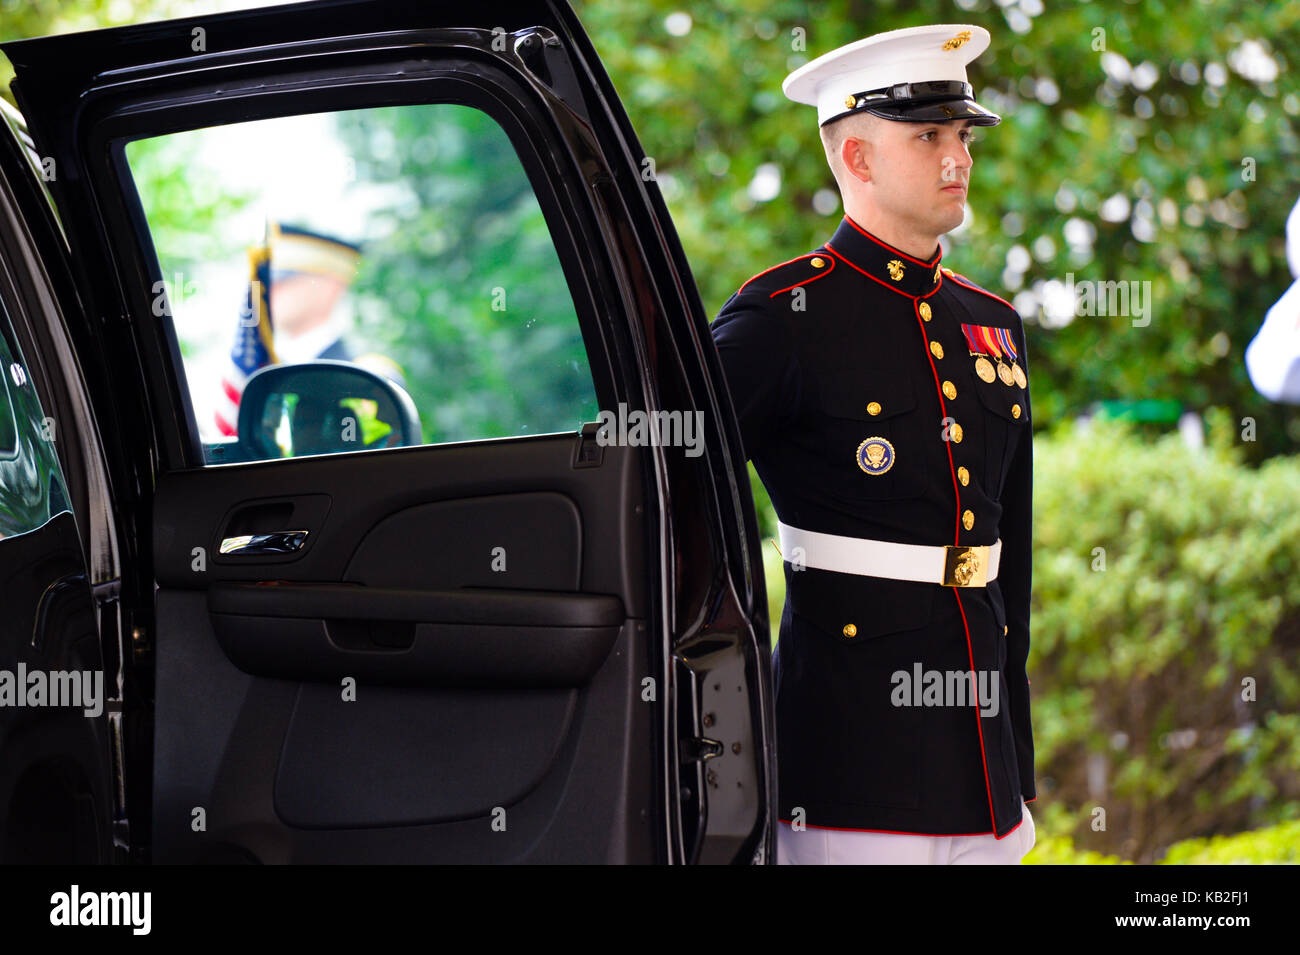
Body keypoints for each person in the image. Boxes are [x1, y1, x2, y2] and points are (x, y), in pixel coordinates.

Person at [710, 23, 1036, 864]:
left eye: (961, 134)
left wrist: (1017, 759)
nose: (957, 156)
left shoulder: (990, 323)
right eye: (927, 136)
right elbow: (672, 492)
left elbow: (1012, 556)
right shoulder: (779, 320)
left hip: (985, 768)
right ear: (856, 159)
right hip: (852, 766)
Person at [268, 221, 407, 388]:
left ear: (330, 287)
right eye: (268, 280)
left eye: (285, 278)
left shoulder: (366, 378)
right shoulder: (260, 369)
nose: (270, 288)